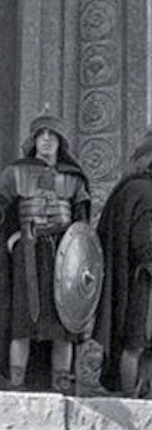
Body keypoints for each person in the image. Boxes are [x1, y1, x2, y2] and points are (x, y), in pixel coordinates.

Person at [0, 109, 91, 393]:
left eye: (52, 136)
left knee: (64, 322)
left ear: (60, 142)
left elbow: (83, 226)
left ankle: (62, 387)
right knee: (23, 322)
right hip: (26, 254)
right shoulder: (15, 172)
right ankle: (17, 385)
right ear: (34, 140)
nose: (46, 140)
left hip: (64, 258)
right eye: (41, 135)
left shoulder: (74, 179)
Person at [93, 130, 152, 396]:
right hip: (143, 284)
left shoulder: (128, 188)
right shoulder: (146, 191)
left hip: (129, 282)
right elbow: (145, 245)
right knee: (137, 345)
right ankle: (134, 401)